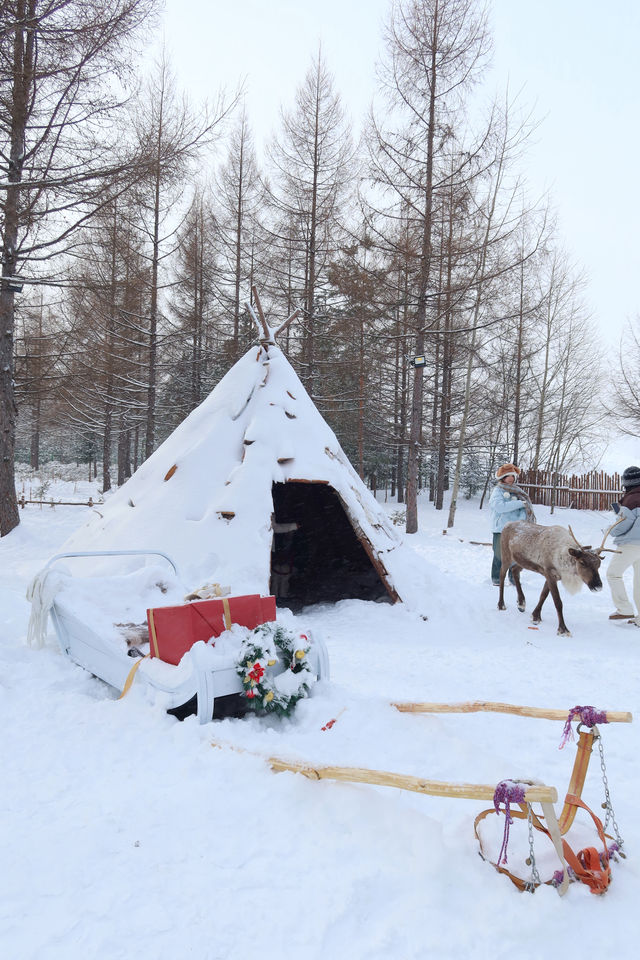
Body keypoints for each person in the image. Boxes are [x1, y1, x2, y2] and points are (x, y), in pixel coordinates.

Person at [606, 465, 640, 627]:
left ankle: (624, 608)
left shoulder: (632, 498)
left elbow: (623, 524)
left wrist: (609, 530)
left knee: (613, 574)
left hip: (632, 543)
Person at [489, 463, 529, 586]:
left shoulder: (518, 491)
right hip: (501, 528)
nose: (511, 478)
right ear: (502, 478)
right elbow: (500, 507)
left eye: (513, 476)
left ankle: (514, 578)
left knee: (515, 555)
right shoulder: (498, 491)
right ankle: (496, 578)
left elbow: (525, 509)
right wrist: (520, 503)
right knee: (499, 554)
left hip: (515, 529)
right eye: (508, 476)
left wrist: (520, 522)